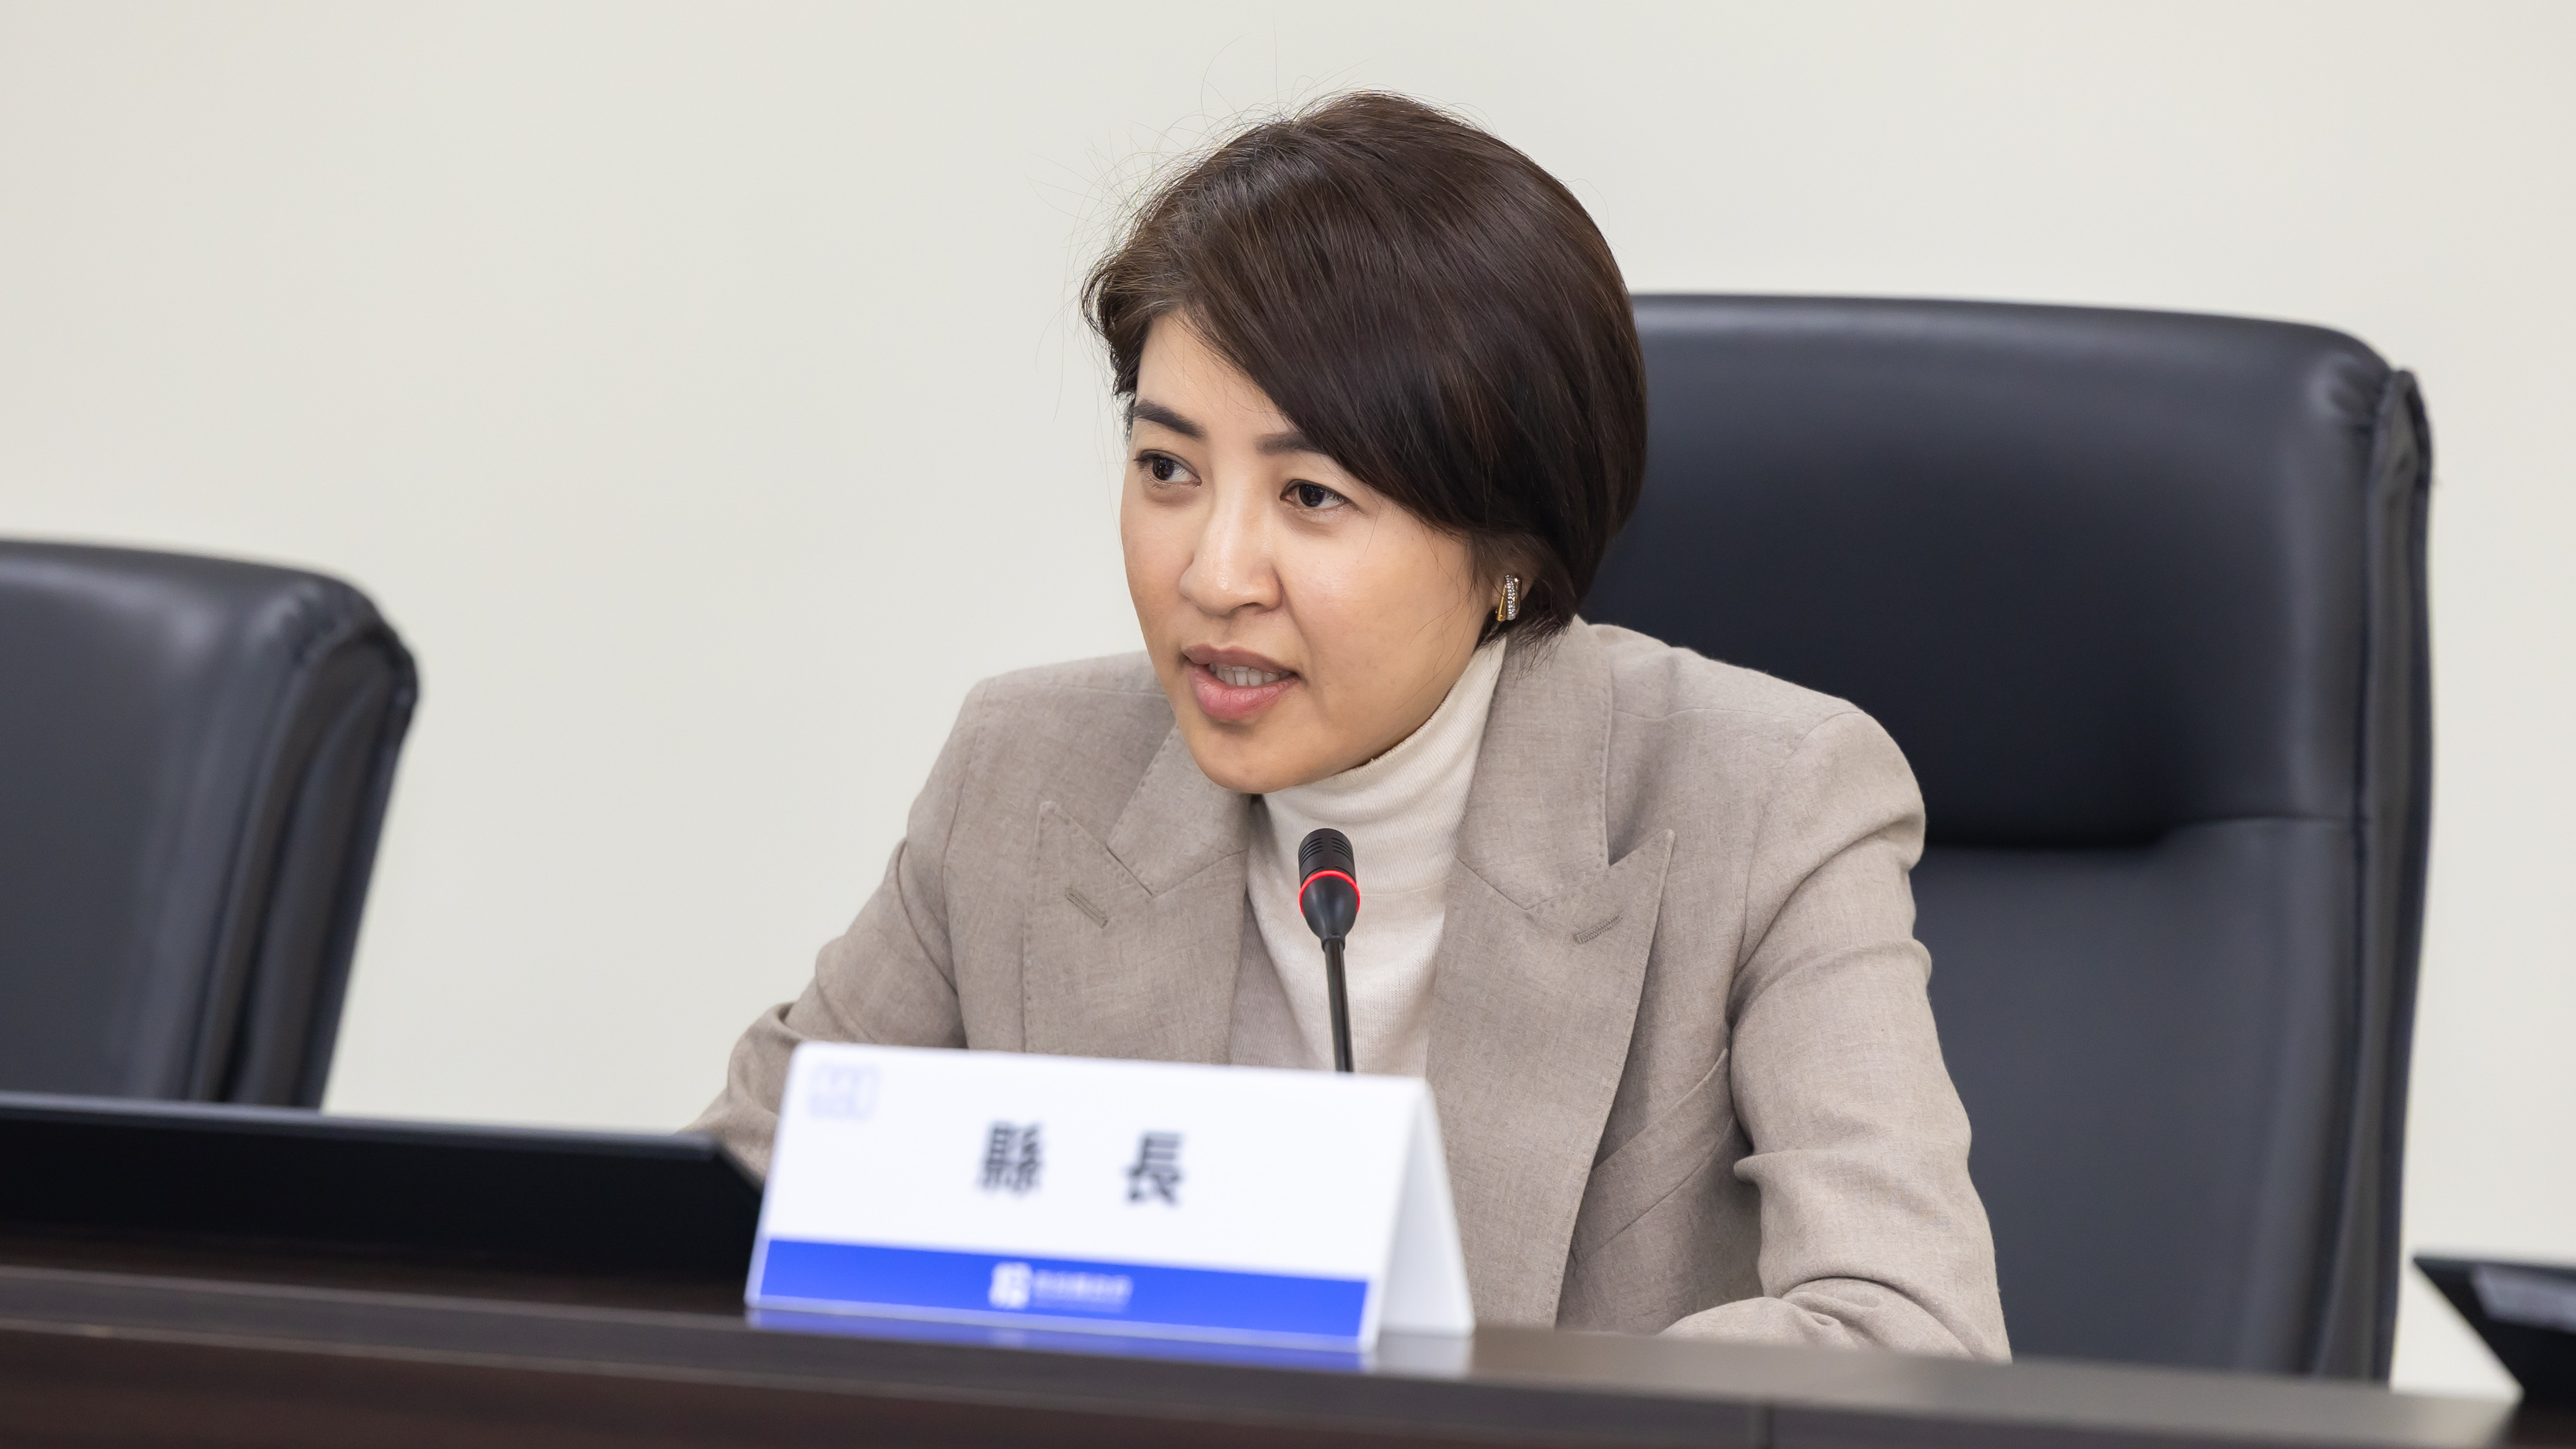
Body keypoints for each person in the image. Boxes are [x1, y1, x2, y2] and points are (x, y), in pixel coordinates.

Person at [692, 92, 2007, 1360]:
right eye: (1168, 469)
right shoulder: (1026, 772)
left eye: (1311, 494)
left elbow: (1905, 1335)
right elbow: (720, 1229)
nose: (1215, 573)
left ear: (1508, 551)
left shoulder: (1767, 801)